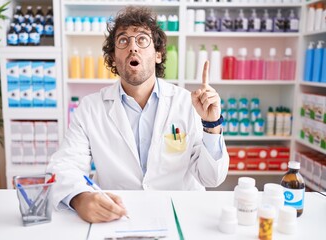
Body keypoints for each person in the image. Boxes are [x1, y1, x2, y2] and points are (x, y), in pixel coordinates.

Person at [47, 6, 229, 223]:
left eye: (142, 40)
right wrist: (79, 198)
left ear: (158, 55)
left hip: (181, 216)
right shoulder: (90, 108)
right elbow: (64, 165)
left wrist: (212, 124)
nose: (133, 47)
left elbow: (212, 177)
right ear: (113, 58)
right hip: (118, 217)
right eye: (123, 41)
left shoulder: (187, 103)